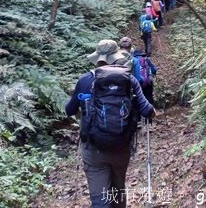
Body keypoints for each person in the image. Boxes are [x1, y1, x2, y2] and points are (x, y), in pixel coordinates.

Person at [65, 40, 155, 208]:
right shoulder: (129, 80)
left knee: (100, 201)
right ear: (116, 57)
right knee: (117, 190)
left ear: (97, 57)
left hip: (93, 149)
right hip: (121, 147)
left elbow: (69, 110)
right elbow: (148, 111)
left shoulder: (85, 80)